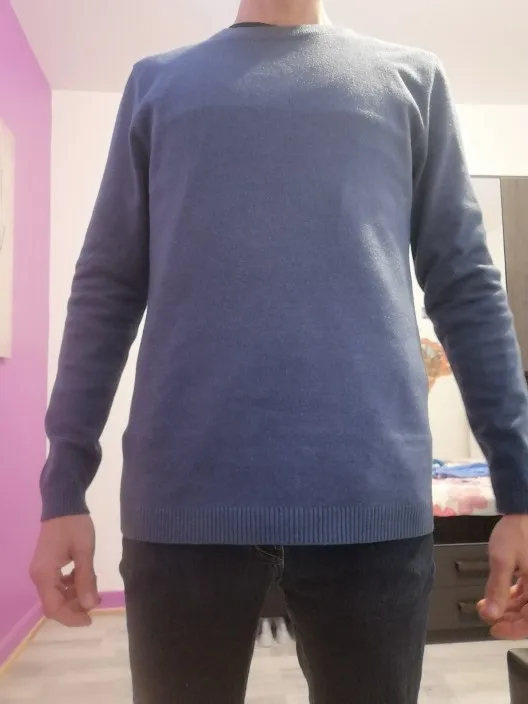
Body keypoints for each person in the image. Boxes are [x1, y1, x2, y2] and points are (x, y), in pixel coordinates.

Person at [30, 0, 528, 702]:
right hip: (184, 509)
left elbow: (467, 287)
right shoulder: (156, 85)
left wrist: (519, 490)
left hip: (371, 510)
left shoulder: (413, 81)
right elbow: (106, 289)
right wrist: (63, 489)